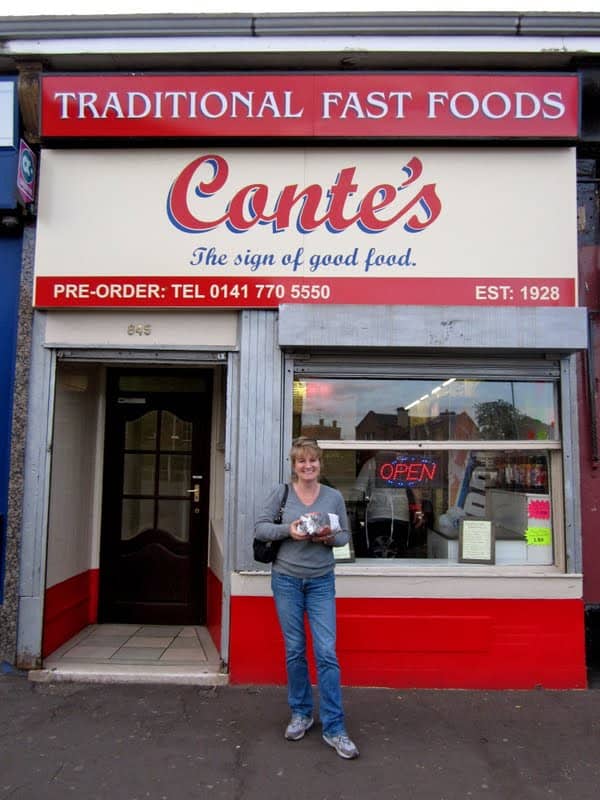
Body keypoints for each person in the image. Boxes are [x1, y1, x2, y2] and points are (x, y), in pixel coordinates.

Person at [254, 436, 359, 760]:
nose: (307, 465)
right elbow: (259, 529)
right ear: (294, 465)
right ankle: (301, 712)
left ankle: (335, 728)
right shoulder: (281, 493)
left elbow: (344, 536)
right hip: (286, 580)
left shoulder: (333, 496)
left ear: (319, 463)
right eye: (301, 461)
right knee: (295, 649)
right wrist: (291, 530)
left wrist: (327, 538)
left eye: (312, 460)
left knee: (326, 651)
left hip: (321, 582)